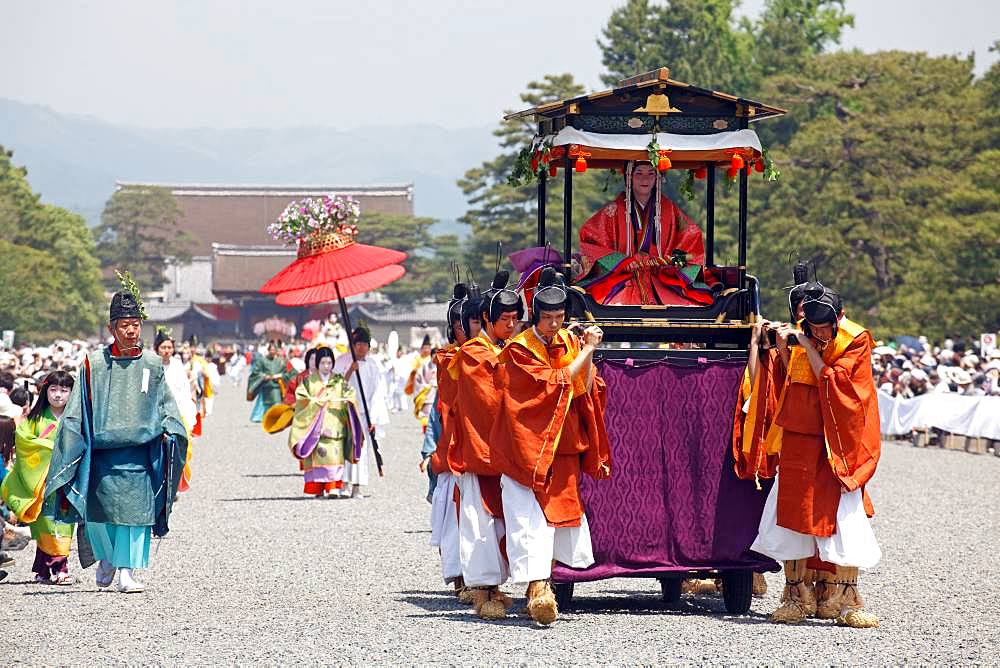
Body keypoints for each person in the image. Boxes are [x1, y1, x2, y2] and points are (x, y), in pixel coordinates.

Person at [44, 278, 188, 593]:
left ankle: (126, 572)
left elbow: (166, 406)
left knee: (136, 517)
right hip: (102, 455)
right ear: (112, 329)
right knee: (99, 516)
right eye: (125, 325)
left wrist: (173, 431)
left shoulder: (152, 364)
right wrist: (68, 449)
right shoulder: (92, 364)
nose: (132, 331)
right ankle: (107, 559)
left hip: (139, 455)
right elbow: (76, 410)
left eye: (136, 325)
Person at [751, 283, 881, 628]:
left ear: (838, 318)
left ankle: (844, 596)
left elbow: (840, 384)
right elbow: (787, 379)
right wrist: (782, 348)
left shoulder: (855, 338)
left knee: (844, 513)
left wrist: (808, 346)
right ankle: (795, 594)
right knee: (795, 508)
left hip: (838, 440)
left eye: (825, 326)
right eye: (813, 326)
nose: (820, 332)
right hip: (800, 432)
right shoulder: (801, 333)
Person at [489, 268, 612, 625]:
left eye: (559, 318)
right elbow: (555, 383)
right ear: (534, 316)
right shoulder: (519, 349)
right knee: (528, 519)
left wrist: (586, 352)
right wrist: (587, 348)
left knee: (558, 518)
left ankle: (544, 588)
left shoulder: (570, 343)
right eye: (547, 319)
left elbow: (585, 386)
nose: (554, 325)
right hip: (525, 447)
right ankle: (537, 587)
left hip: (562, 444)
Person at [447, 271, 521, 620]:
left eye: (515, 319)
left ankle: (495, 586)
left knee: (502, 520)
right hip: (480, 449)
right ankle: (481, 590)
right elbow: (488, 401)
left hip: (505, 449)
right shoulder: (474, 354)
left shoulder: (508, 350)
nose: (511, 325)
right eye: (504, 319)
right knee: (480, 520)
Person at [578, 160, 706, 305]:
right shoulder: (613, 211)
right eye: (638, 173)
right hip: (624, 277)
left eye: (651, 173)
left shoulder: (669, 210)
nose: (644, 179)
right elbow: (590, 238)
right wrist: (621, 262)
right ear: (629, 177)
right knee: (602, 304)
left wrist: (668, 262)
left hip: (661, 277)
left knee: (688, 307)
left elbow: (692, 240)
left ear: (657, 177)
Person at [1, 371, 77, 584]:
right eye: (53, 389)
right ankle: (53, 568)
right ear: (45, 391)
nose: (58, 395)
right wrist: (48, 447)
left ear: (72, 393)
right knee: (45, 522)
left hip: (66, 479)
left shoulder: (77, 418)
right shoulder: (35, 418)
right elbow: (24, 441)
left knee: (63, 522)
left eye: (64, 390)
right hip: (40, 481)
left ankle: (55, 567)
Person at [425, 282, 470, 600]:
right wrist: (429, 448)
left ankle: (481, 577)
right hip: (450, 445)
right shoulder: (447, 359)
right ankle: (459, 578)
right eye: (458, 324)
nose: (464, 329)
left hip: (477, 445)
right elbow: (437, 409)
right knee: (451, 518)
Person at [289, 347, 362, 498]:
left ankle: (333, 487)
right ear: (317, 363)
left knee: (335, 456)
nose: (326, 366)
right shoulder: (309, 381)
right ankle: (318, 489)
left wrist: (348, 400)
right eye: (323, 363)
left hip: (335, 424)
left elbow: (350, 393)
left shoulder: (339, 380)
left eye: (329, 363)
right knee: (317, 458)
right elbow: (301, 398)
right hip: (316, 426)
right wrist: (315, 402)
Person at [334, 327, 389, 499]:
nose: (361, 347)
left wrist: (374, 418)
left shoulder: (373, 365)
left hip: (365, 414)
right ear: (352, 345)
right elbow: (335, 386)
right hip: (345, 412)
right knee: (344, 447)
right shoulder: (342, 361)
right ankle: (343, 484)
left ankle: (357, 486)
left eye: (364, 344)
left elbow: (378, 394)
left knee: (361, 450)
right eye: (358, 343)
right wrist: (350, 370)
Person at [155, 328, 198, 494]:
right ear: (157, 348)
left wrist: (188, 412)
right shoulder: (153, 365)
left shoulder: (178, 366)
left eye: (169, 347)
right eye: (163, 347)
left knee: (181, 448)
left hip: (178, 411)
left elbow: (185, 391)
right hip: (158, 413)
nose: (166, 351)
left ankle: (176, 483)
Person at [247, 341, 289, 423]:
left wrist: (279, 376)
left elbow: (287, 373)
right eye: (271, 350)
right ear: (268, 350)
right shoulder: (262, 360)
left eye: (274, 350)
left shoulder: (281, 361)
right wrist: (263, 376)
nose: (272, 352)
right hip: (266, 386)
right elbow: (256, 372)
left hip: (276, 387)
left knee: (277, 403)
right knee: (266, 405)